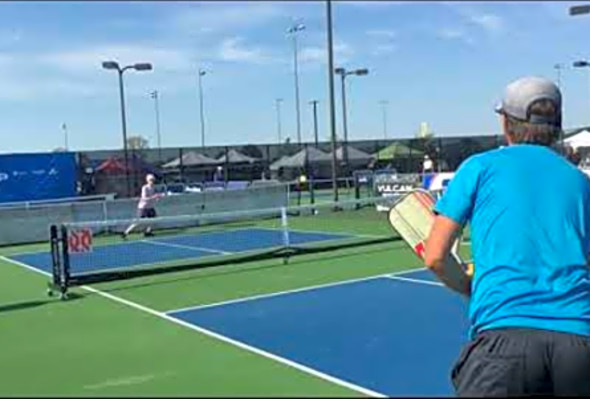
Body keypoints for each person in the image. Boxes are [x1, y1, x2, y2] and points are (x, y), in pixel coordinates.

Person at [424, 76, 590, 396]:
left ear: (505, 122)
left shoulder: (479, 167)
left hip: (504, 345)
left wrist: (469, 287)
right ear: (556, 125)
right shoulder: (581, 183)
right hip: (580, 346)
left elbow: (435, 256)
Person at [122, 173, 163, 239]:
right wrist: (154, 197)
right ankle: (126, 233)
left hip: (150, 207)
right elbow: (144, 198)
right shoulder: (145, 188)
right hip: (143, 208)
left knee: (153, 219)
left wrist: (158, 197)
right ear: (147, 180)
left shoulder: (154, 188)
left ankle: (148, 232)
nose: (152, 181)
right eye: (150, 180)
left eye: (153, 180)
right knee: (138, 222)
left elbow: (155, 196)